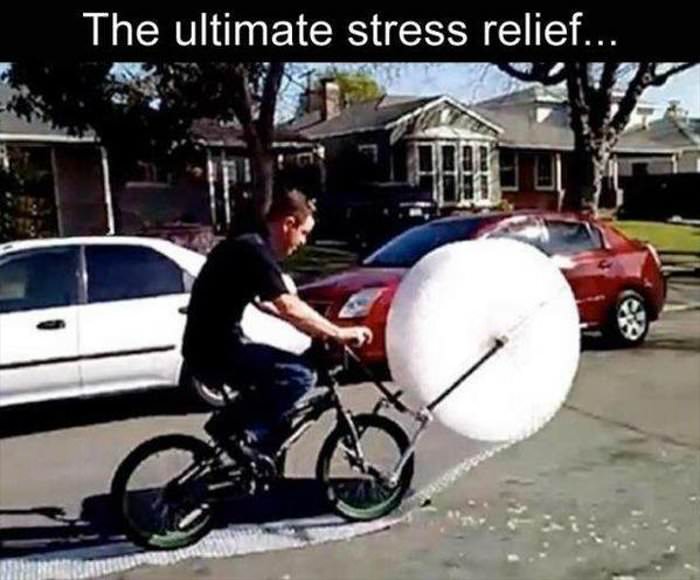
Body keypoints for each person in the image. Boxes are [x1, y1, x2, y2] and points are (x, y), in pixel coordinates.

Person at [182, 188, 372, 459]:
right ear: (288, 224)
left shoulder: (247, 247)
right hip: (214, 352)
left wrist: (315, 329)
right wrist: (338, 333)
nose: (304, 242)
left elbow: (270, 305)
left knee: (280, 414)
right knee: (300, 376)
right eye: (304, 233)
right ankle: (227, 427)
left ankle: (257, 464)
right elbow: (288, 306)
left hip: (211, 347)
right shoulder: (253, 251)